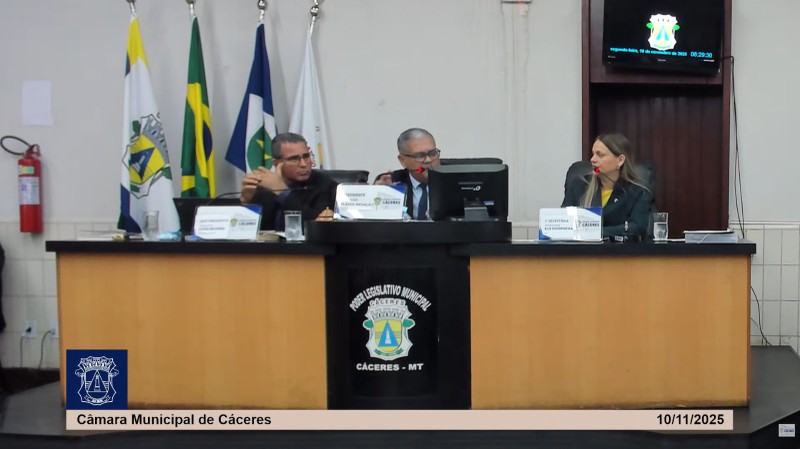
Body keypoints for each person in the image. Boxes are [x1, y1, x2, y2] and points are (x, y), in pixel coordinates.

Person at [561, 133, 652, 239]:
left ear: (620, 160)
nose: (593, 159)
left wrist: (595, 232)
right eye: (593, 154)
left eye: (600, 155)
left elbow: (637, 227)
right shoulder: (579, 185)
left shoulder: (637, 191)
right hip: (583, 248)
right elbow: (564, 223)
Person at [241, 133, 337, 230]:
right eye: (294, 159)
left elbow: (316, 226)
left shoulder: (325, 184)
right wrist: (248, 201)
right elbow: (252, 229)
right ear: (277, 163)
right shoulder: (267, 186)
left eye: (306, 156)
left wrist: (283, 192)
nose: (303, 164)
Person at [374, 128, 441, 220]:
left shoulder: (454, 180)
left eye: (432, 153)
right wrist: (378, 195)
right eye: (420, 156)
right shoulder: (392, 182)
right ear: (403, 160)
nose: (428, 160)